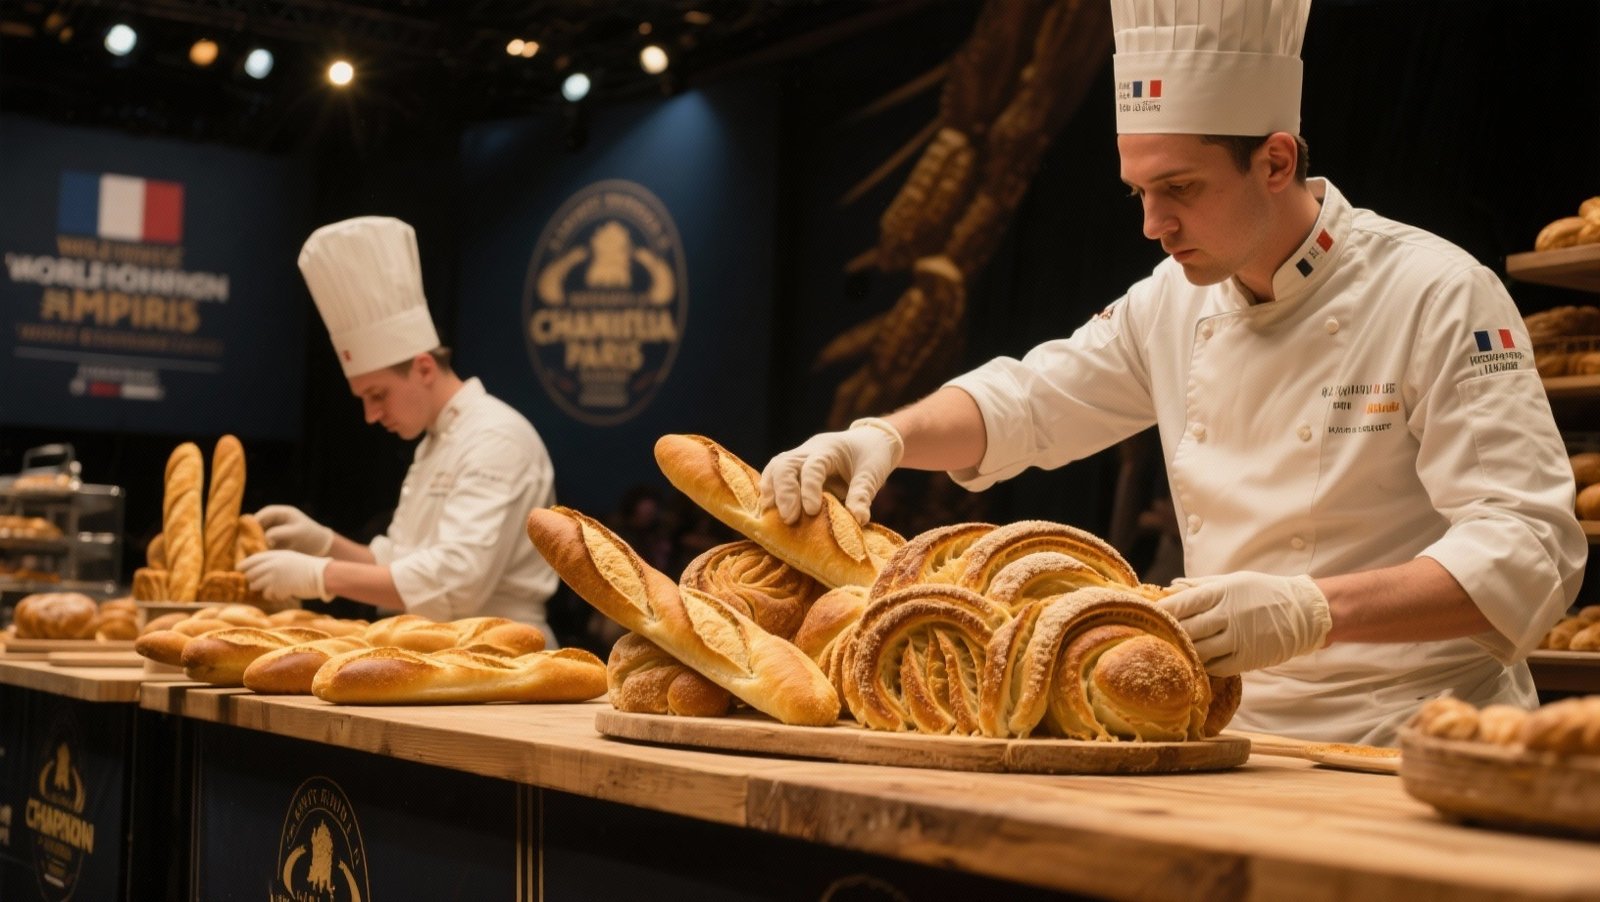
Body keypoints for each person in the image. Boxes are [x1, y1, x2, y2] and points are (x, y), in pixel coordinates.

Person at [759, 0, 1587, 745]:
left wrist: (1312, 610)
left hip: (1415, 738)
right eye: (1138, 194)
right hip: (1233, 739)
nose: (1154, 225)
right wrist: (884, 437)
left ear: (1275, 161)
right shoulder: (1174, 300)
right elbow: (1031, 400)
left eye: (1179, 188)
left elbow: (1531, 549)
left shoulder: (1439, 293)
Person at [241, 216, 561, 645]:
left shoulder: (496, 438)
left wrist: (320, 575)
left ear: (424, 368)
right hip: (444, 649)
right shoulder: (435, 441)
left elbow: (454, 583)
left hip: (505, 650)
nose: (371, 415)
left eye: (378, 394)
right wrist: (324, 543)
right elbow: (401, 563)